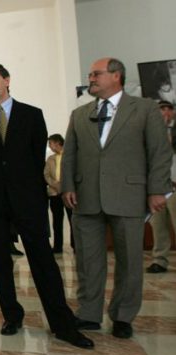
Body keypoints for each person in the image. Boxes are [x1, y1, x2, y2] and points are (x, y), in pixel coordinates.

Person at [0, 63, 93, 349]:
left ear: (7, 80)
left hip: (28, 200)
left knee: (43, 261)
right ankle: (12, 315)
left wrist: (20, 185)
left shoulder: (32, 115)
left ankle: (62, 324)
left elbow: (35, 157)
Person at [61, 57, 172, 339]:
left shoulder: (145, 109)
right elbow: (70, 154)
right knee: (87, 260)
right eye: (90, 74)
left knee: (130, 260)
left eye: (96, 74)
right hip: (85, 198)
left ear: (116, 76)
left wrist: (156, 189)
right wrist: (67, 186)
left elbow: (159, 152)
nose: (91, 79)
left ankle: (123, 316)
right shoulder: (79, 114)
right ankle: (88, 313)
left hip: (129, 196)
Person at [147, 100, 176, 274]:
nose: (165, 112)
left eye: (168, 109)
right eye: (162, 109)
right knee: (158, 226)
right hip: (157, 188)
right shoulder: (149, 132)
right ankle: (159, 260)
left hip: (174, 185)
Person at [44, 134, 73, 253]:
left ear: (57, 142)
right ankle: (57, 247)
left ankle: (75, 245)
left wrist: (64, 185)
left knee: (73, 220)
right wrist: (54, 184)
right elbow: (46, 175)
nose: (49, 146)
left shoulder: (70, 156)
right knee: (57, 221)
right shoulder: (50, 159)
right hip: (54, 193)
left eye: (50, 143)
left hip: (68, 193)